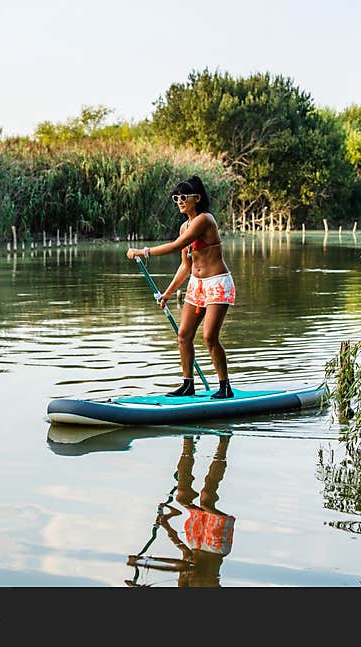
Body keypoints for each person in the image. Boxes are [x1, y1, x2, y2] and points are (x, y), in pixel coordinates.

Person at [126, 175, 235, 399]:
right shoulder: (184, 225)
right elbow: (186, 266)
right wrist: (168, 293)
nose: (179, 201)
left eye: (183, 197)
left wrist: (142, 252)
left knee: (209, 337)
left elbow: (176, 246)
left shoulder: (205, 220)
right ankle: (188, 384)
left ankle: (225, 387)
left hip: (217, 284)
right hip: (197, 286)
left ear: (197, 198)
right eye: (176, 198)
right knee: (184, 335)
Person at [126, 435, 235, 587]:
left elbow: (184, 552)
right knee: (206, 499)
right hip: (215, 548)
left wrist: (166, 525)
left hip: (195, 544)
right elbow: (184, 566)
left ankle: (187, 442)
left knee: (182, 498)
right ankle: (224, 442)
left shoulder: (183, 585)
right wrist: (145, 562)